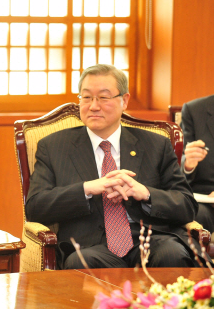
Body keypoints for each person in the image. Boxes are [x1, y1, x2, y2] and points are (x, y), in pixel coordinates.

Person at [26, 64, 200, 269]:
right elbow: (35, 207)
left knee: (173, 254)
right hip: (90, 245)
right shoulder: (53, 146)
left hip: (149, 239)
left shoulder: (155, 144)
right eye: (86, 97)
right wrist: (88, 189)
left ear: (124, 100)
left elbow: (187, 205)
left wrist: (145, 193)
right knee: (82, 263)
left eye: (103, 97)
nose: (93, 106)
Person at [181, 94, 214, 232]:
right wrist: (188, 164)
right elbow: (180, 159)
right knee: (195, 215)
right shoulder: (194, 110)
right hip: (206, 197)